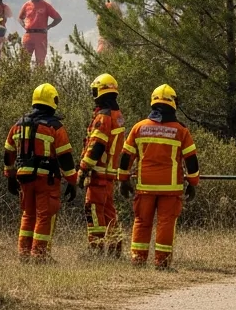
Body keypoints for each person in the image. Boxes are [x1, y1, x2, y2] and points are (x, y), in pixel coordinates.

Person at [119, 84, 199, 269]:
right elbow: (192, 160)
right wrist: (192, 183)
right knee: (166, 224)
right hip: (170, 189)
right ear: (173, 104)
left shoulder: (139, 128)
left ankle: (138, 260)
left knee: (141, 222)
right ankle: (162, 263)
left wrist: (123, 180)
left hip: (145, 187)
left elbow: (125, 157)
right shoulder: (181, 130)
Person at [3, 83, 78, 261]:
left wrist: (10, 176)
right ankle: (39, 255)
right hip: (46, 179)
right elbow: (65, 158)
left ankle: (24, 254)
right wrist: (73, 181)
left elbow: (8, 152)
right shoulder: (55, 127)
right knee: (44, 216)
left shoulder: (19, 124)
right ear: (53, 102)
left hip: (24, 177)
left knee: (28, 214)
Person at [79, 73, 126, 254]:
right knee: (108, 212)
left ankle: (96, 249)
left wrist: (83, 168)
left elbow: (97, 146)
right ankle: (115, 248)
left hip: (98, 173)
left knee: (93, 210)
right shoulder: (117, 115)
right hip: (109, 174)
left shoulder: (103, 117)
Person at [18, 0, 63, 67]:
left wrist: (49, 27)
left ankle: (39, 79)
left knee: (40, 62)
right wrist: (24, 26)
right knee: (23, 62)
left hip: (41, 36)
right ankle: (23, 79)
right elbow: (20, 18)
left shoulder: (46, 6)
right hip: (28, 36)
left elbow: (58, 18)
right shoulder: (26, 5)